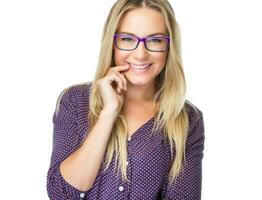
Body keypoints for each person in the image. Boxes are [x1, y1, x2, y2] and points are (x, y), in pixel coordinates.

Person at [46, 0, 205, 199]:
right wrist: (108, 113)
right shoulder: (74, 102)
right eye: (128, 39)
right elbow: (62, 191)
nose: (140, 54)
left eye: (155, 40)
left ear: (169, 46)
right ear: (112, 43)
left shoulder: (188, 120)